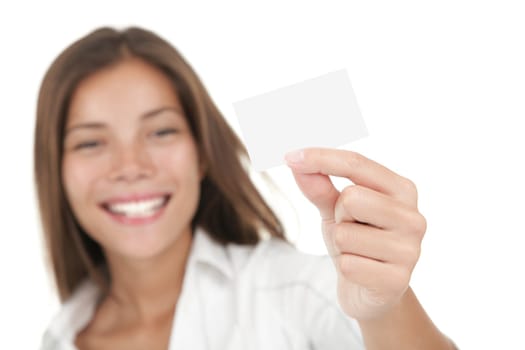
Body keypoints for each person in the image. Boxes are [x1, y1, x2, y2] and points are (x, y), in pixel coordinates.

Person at [35, 26, 457, 349]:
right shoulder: (60, 336)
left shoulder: (296, 289)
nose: (130, 167)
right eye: (90, 142)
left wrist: (385, 311)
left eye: (160, 132)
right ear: (57, 170)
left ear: (202, 152)